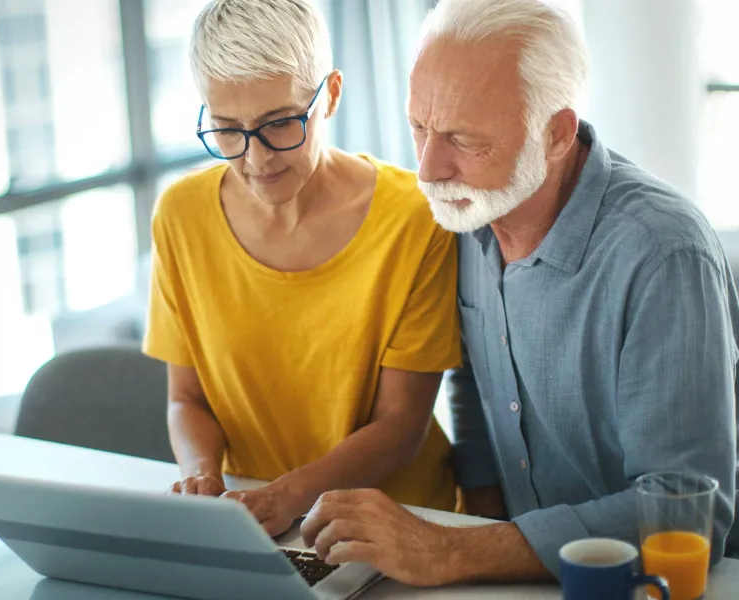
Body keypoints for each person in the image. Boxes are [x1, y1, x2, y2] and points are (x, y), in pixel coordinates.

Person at [301, 0, 739, 584]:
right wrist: (482, 529)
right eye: (419, 127)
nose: (429, 169)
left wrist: (451, 552)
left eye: (464, 139)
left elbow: (686, 511)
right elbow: (473, 387)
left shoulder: (662, 254)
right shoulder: (469, 213)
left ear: (556, 134)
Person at [142, 0, 462, 538]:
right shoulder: (180, 214)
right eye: (227, 130)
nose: (257, 160)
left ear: (330, 95)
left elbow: (401, 426)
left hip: (398, 530)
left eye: (281, 124)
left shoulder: (414, 219)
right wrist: (201, 477)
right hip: (257, 524)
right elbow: (186, 398)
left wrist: (290, 495)